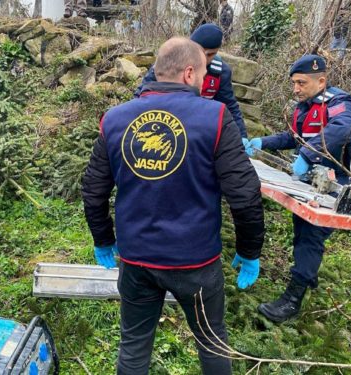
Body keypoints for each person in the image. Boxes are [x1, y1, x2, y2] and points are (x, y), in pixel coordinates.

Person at [81, 37, 264, 375]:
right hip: (195, 263)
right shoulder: (215, 117)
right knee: (212, 342)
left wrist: (103, 239)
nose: (204, 82)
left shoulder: (115, 119)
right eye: (204, 75)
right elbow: (245, 193)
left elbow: (93, 190)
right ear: (189, 73)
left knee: (134, 346)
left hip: (136, 259)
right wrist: (249, 249)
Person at [244, 54, 351, 323]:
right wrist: (262, 142)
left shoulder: (341, 104)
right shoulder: (304, 108)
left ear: (322, 81)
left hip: (350, 181)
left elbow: (343, 128)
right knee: (302, 226)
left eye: (301, 83)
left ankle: (293, 300)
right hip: (317, 181)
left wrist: (307, 154)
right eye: (294, 83)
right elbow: (293, 137)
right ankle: (305, 276)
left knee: (311, 232)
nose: (296, 89)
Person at [135, 24, 248, 142]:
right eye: (199, 52)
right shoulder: (169, 63)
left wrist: (242, 138)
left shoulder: (220, 72)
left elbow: (230, 106)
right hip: (164, 123)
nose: (203, 58)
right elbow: (141, 95)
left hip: (199, 128)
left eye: (210, 54)